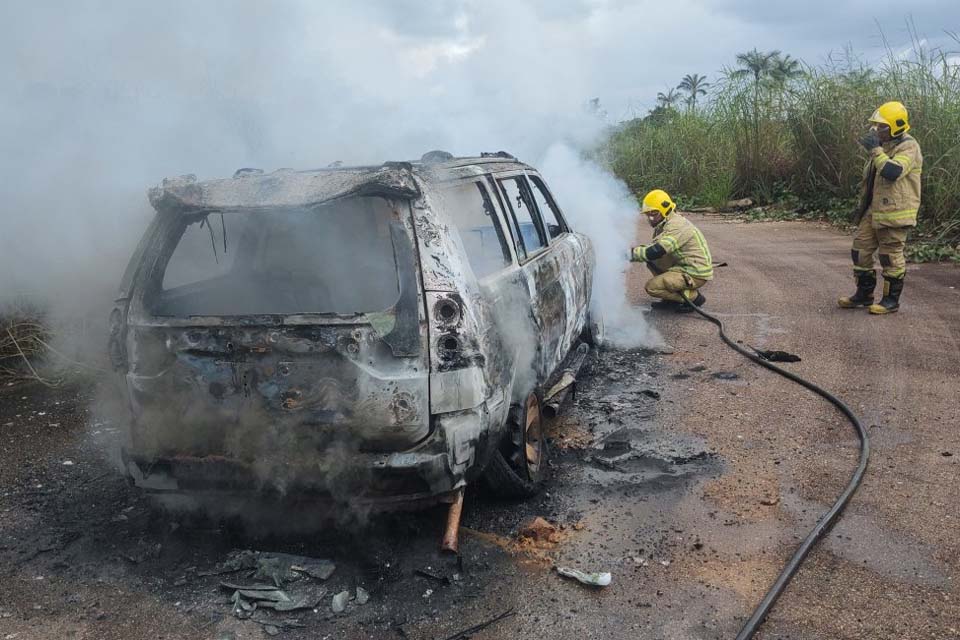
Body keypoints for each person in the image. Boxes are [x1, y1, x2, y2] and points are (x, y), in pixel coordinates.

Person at [838, 101, 922, 314]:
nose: (877, 130)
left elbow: (892, 172)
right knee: (860, 251)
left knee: (890, 257)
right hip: (874, 211)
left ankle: (890, 300)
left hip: (895, 214)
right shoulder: (884, 146)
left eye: (882, 126)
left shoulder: (908, 147)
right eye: (876, 125)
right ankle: (864, 295)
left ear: (896, 126)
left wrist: (875, 150)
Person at [629, 189, 713, 312]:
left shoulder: (676, 226)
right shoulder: (665, 223)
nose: (650, 218)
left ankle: (693, 298)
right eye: (648, 215)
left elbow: (657, 250)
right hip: (684, 265)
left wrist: (628, 254)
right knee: (652, 261)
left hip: (695, 272)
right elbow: (652, 250)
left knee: (652, 287)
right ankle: (671, 299)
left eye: (654, 213)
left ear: (665, 209)